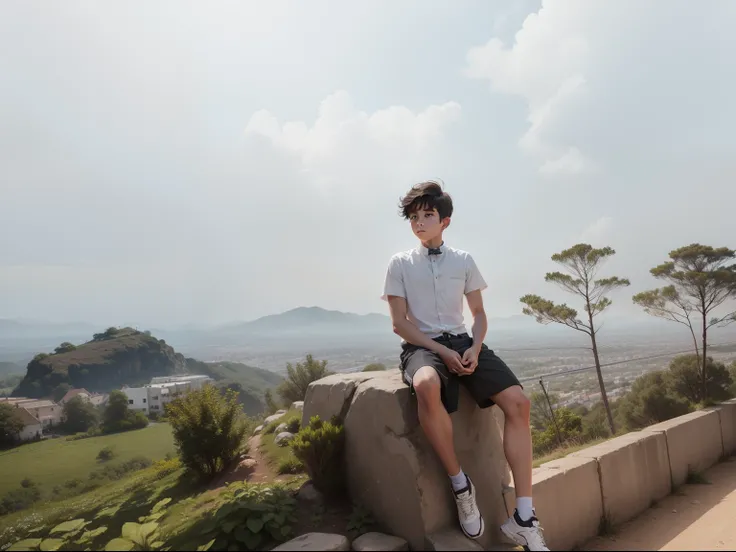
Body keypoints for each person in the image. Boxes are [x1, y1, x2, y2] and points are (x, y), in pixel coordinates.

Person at [381, 181, 549, 551]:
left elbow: (479, 314)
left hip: (463, 342)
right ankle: (461, 485)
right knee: (426, 384)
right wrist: (440, 354)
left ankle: (524, 516)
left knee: (520, 403)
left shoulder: (464, 260)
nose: (419, 222)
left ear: (445, 221)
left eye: (427, 215)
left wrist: (474, 346)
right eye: (414, 217)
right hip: (422, 347)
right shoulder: (399, 264)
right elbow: (399, 323)